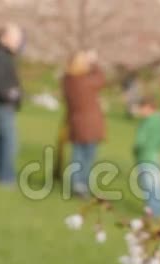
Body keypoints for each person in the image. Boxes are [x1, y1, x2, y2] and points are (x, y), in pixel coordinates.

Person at [63, 50, 106, 197]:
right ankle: (81, 185)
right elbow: (100, 79)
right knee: (87, 156)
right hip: (89, 124)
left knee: (77, 154)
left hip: (75, 122)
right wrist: (94, 62)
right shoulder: (84, 81)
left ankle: (77, 183)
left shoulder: (67, 80)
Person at [0, 23, 24, 186]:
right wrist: (13, 94)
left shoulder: (5, 56)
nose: (19, 43)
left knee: (5, 142)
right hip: (1, 106)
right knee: (9, 143)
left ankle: (3, 175)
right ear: (5, 38)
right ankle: (6, 178)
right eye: (16, 39)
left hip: (5, 106)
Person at [133, 97, 160, 217]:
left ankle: (153, 213)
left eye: (142, 108)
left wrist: (136, 150)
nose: (141, 111)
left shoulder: (147, 122)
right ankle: (159, 212)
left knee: (150, 187)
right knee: (156, 187)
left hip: (146, 157)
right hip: (156, 156)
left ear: (148, 107)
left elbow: (140, 141)